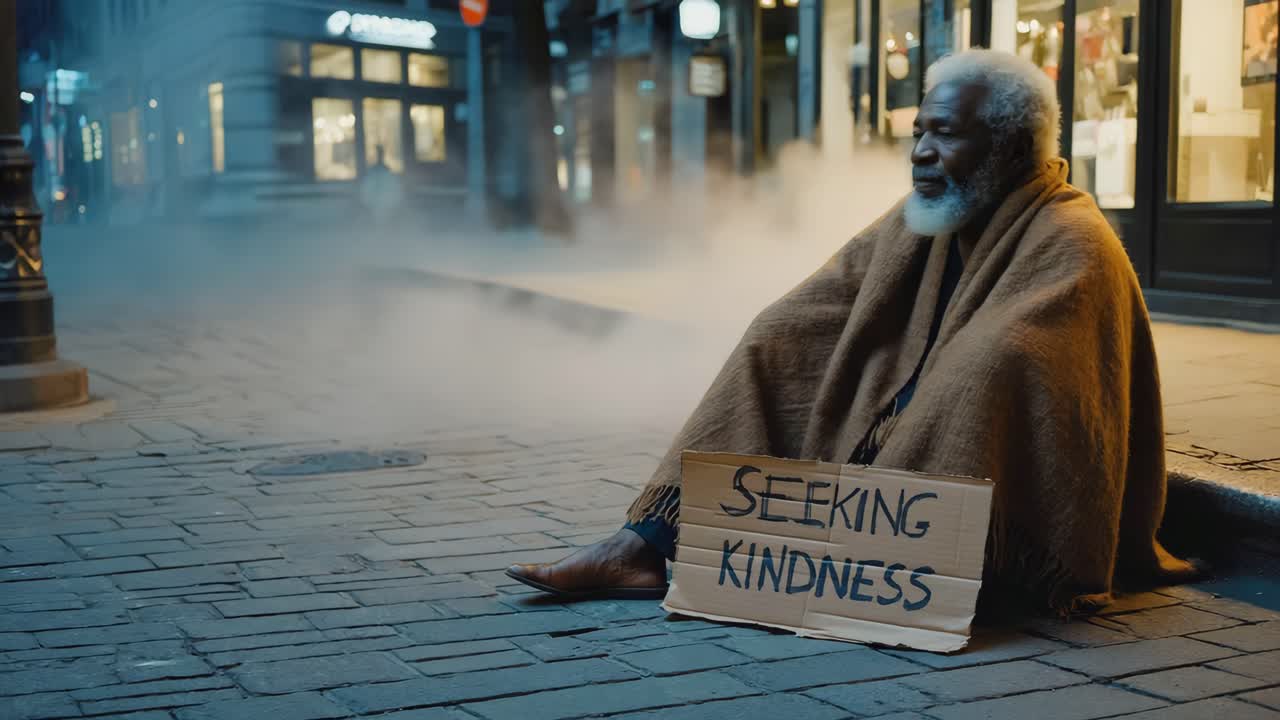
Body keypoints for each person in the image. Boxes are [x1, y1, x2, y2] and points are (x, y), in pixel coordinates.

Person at [507, 49, 1200, 615]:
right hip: (893, 430)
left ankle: (887, 564)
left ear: (1012, 146)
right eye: (918, 133)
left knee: (979, 367)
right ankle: (641, 547)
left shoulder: (1074, 234)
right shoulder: (926, 213)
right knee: (772, 337)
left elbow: (1025, 357)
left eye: (945, 134)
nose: (921, 152)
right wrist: (801, 347)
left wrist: (934, 383)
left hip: (996, 500)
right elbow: (832, 295)